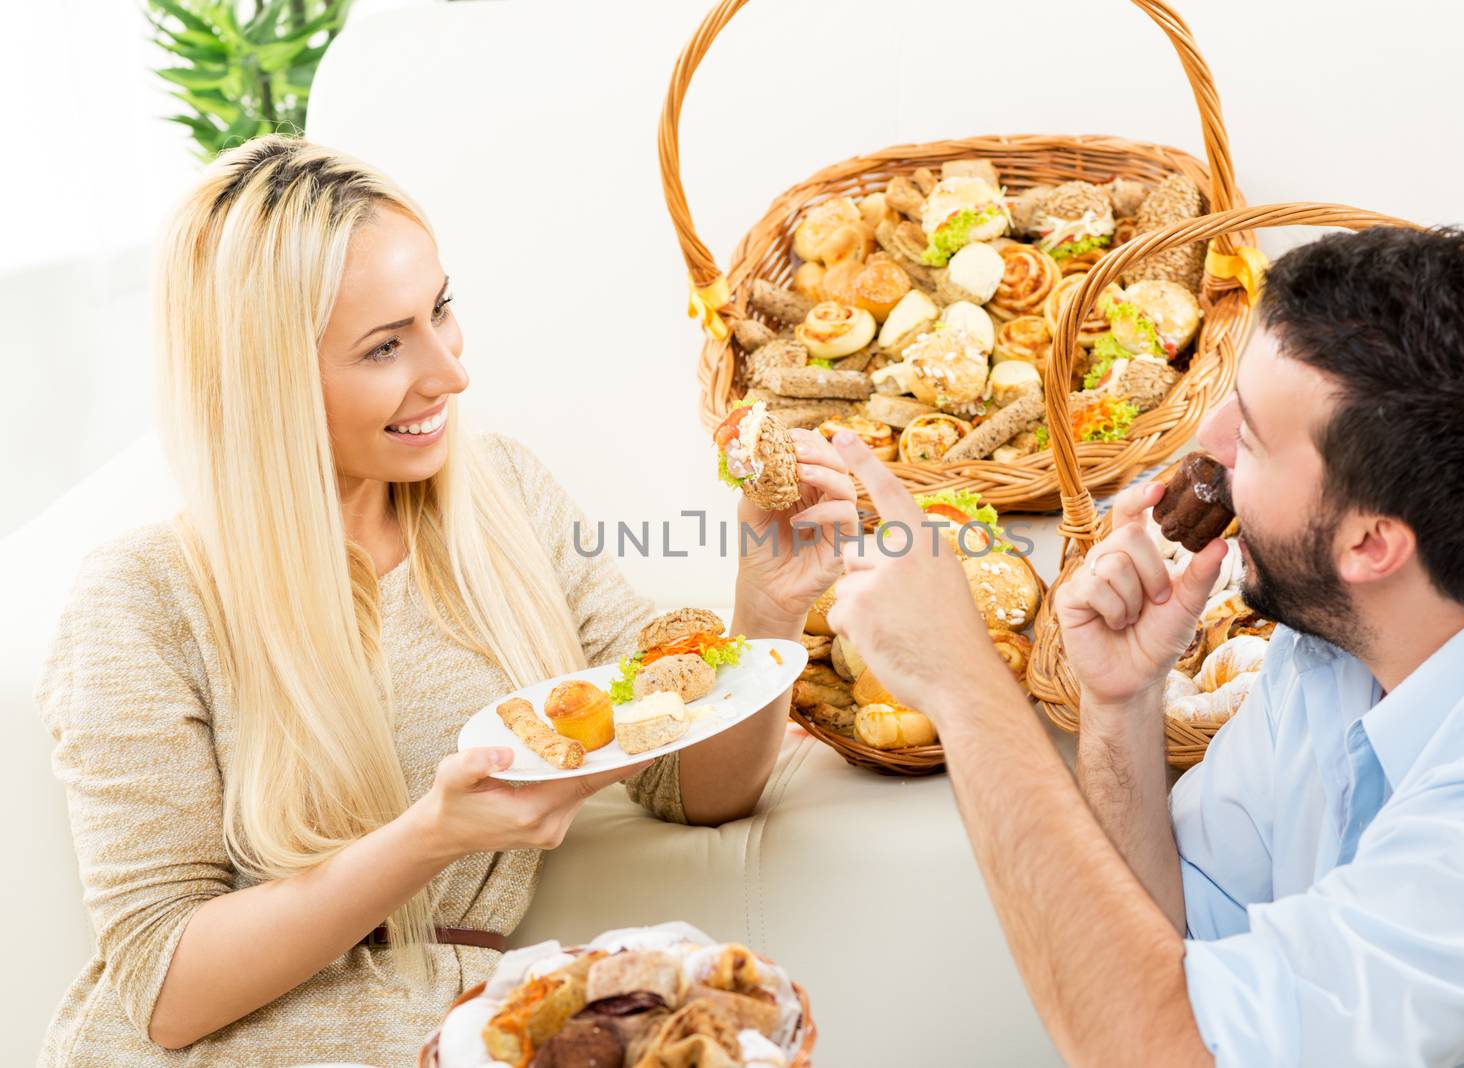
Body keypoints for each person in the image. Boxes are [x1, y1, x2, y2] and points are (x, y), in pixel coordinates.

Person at [33, 136, 858, 1065]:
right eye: (385, 346)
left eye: (441, 309)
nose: (450, 372)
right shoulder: (139, 600)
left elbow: (690, 785)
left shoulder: (505, 499)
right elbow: (164, 994)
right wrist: (427, 838)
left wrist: (767, 607)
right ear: (267, 383)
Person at [825, 227, 1464, 1065]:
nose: (1211, 444)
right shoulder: (1337, 649)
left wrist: (964, 685)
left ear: (1372, 545)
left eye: (1256, 438)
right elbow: (1171, 941)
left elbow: (1156, 1047)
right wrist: (1121, 699)